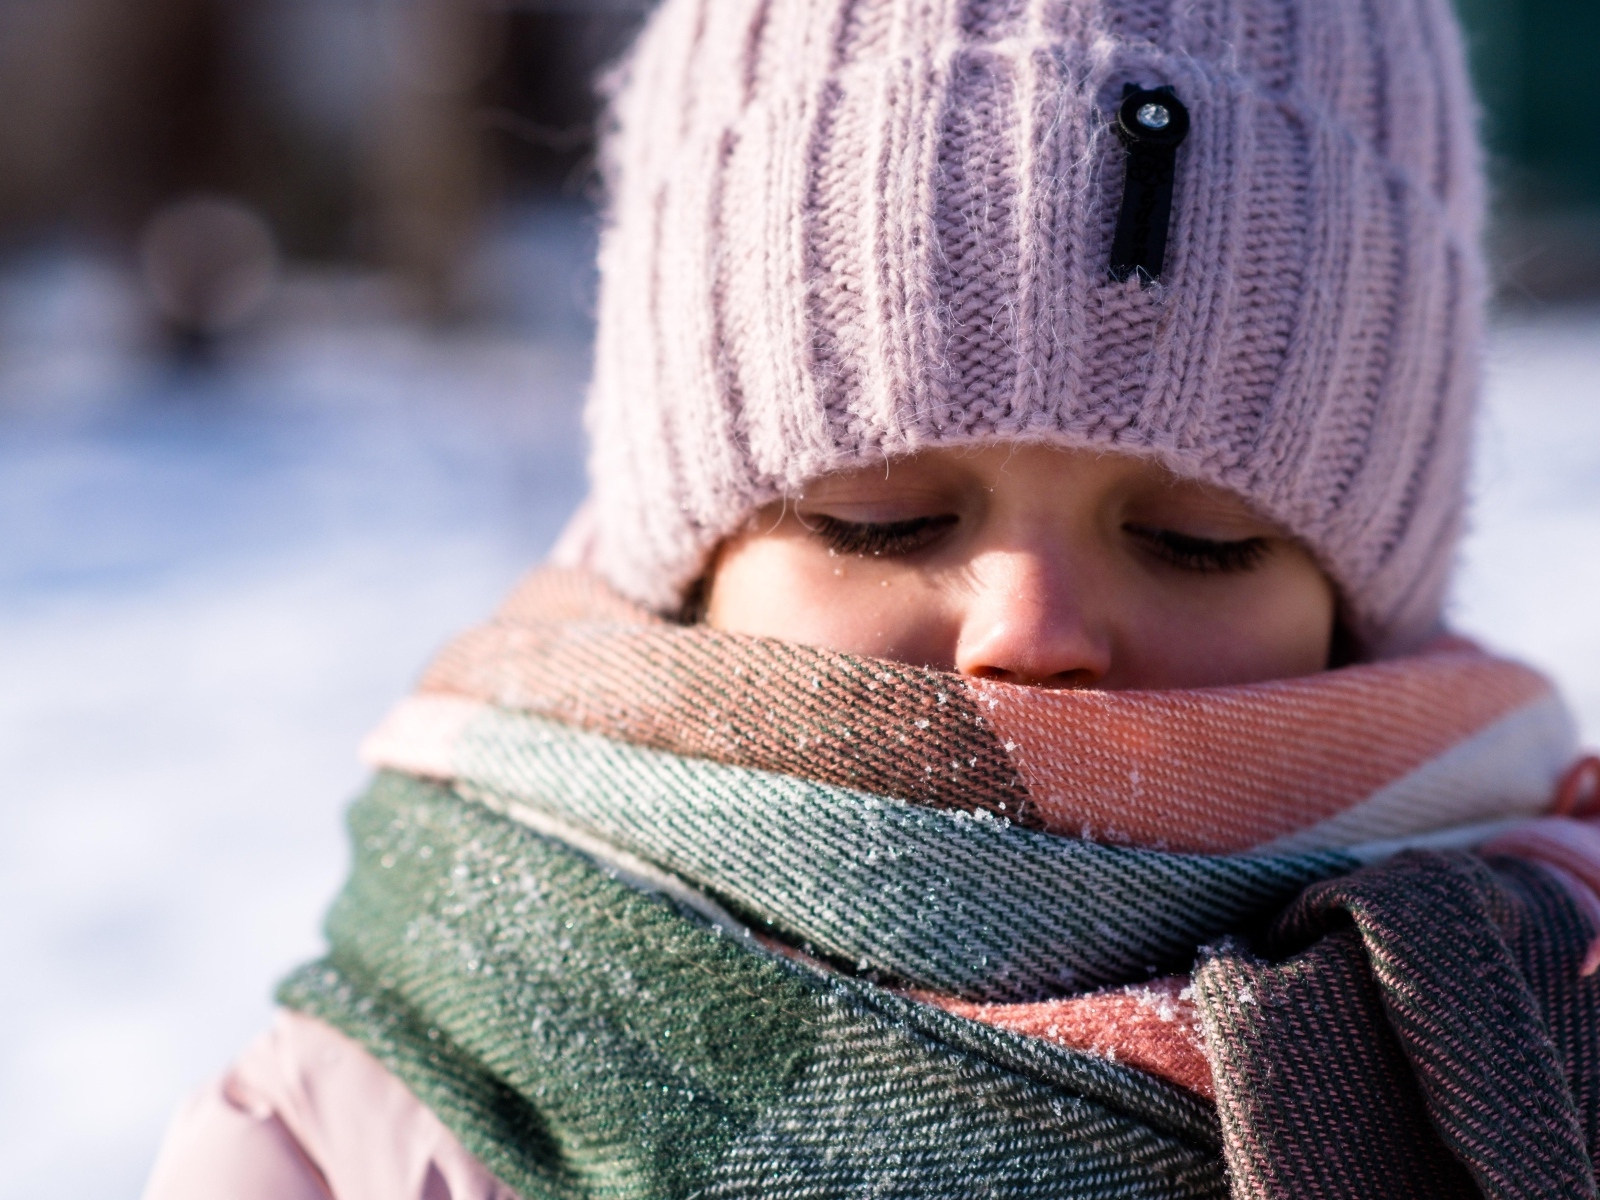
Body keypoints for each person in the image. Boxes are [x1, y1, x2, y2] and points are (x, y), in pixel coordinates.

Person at [144, 0, 1600, 1196]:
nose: (1027, 630)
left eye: (1197, 537)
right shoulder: (355, 1130)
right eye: (880, 519)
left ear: (1364, 607)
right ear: (693, 562)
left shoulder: (1551, 1018)